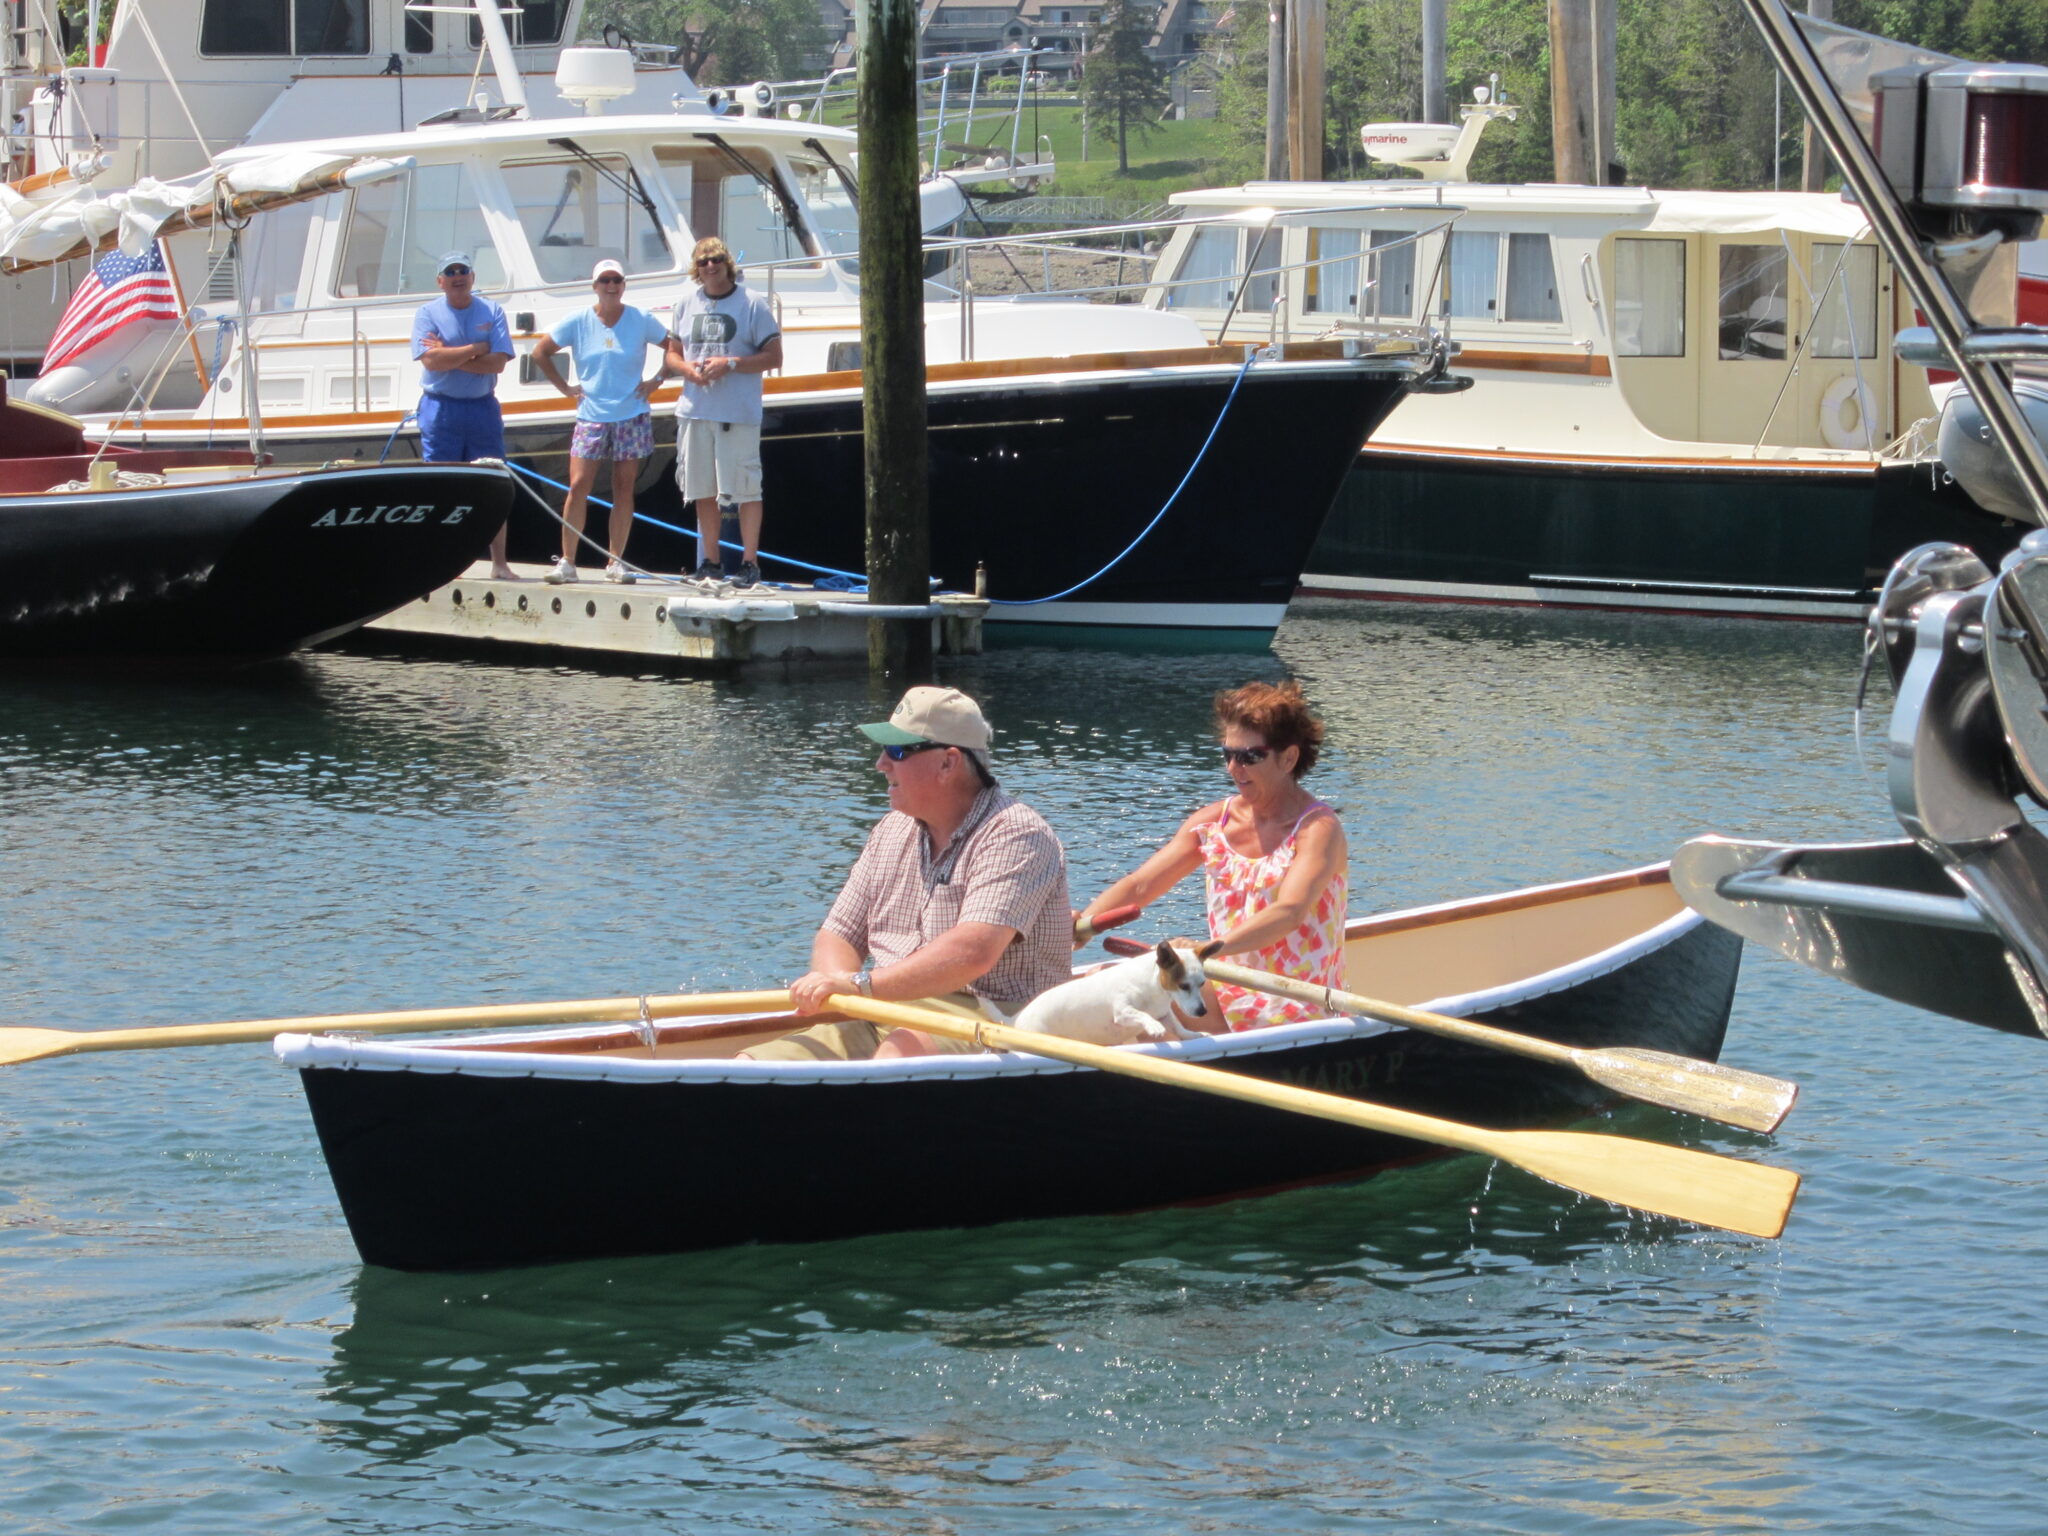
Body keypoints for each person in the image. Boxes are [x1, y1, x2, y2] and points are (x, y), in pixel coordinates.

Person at [745, 686, 1072, 1062]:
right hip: (888, 1005)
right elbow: (839, 934)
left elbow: (972, 953)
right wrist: (835, 991)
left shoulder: (1017, 834)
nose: (881, 763)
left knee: (898, 1055)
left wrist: (860, 986)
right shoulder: (891, 830)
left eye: (898, 751)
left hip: (998, 1014)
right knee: (754, 1063)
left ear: (948, 762)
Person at [1075, 680, 1348, 1033]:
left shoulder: (1318, 830)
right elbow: (1141, 885)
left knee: (1131, 1001)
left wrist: (1203, 951)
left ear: (1289, 758)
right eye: (1228, 755)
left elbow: (1289, 912)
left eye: (1250, 757)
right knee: (1100, 982)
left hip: (1294, 1005)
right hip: (1220, 985)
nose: (1234, 768)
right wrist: (1082, 926)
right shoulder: (1213, 822)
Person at [530, 259, 669, 585]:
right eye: (605, 280)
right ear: (595, 285)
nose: (611, 285)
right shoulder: (578, 320)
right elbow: (541, 352)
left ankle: (615, 561)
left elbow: (672, 344)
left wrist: (657, 379)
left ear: (623, 285)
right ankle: (567, 562)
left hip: (631, 414)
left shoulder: (640, 318)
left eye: (616, 280)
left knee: (624, 488)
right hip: (591, 415)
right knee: (578, 486)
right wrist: (565, 388)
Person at [663, 237, 782, 591]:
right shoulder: (685, 303)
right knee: (702, 489)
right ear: (696, 269)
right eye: (702, 262)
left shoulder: (752, 303)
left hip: (738, 413)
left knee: (745, 490)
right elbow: (671, 354)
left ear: (726, 262)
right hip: (695, 411)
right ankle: (710, 563)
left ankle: (749, 563)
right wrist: (688, 371)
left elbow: (774, 357)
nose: (710, 266)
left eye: (715, 259)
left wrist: (730, 363)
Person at [411, 250, 516, 580]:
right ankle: (438, 563)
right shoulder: (426, 313)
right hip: (440, 410)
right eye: (450, 271)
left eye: (463, 270)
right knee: (442, 488)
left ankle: (499, 564)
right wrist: (474, 349)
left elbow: (498, 362)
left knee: (493, 486)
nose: (458, 276)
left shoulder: (492, 310)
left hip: (482, 408)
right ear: (440, 281)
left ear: (472, 277)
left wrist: (450, 354)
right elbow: (430, 361)